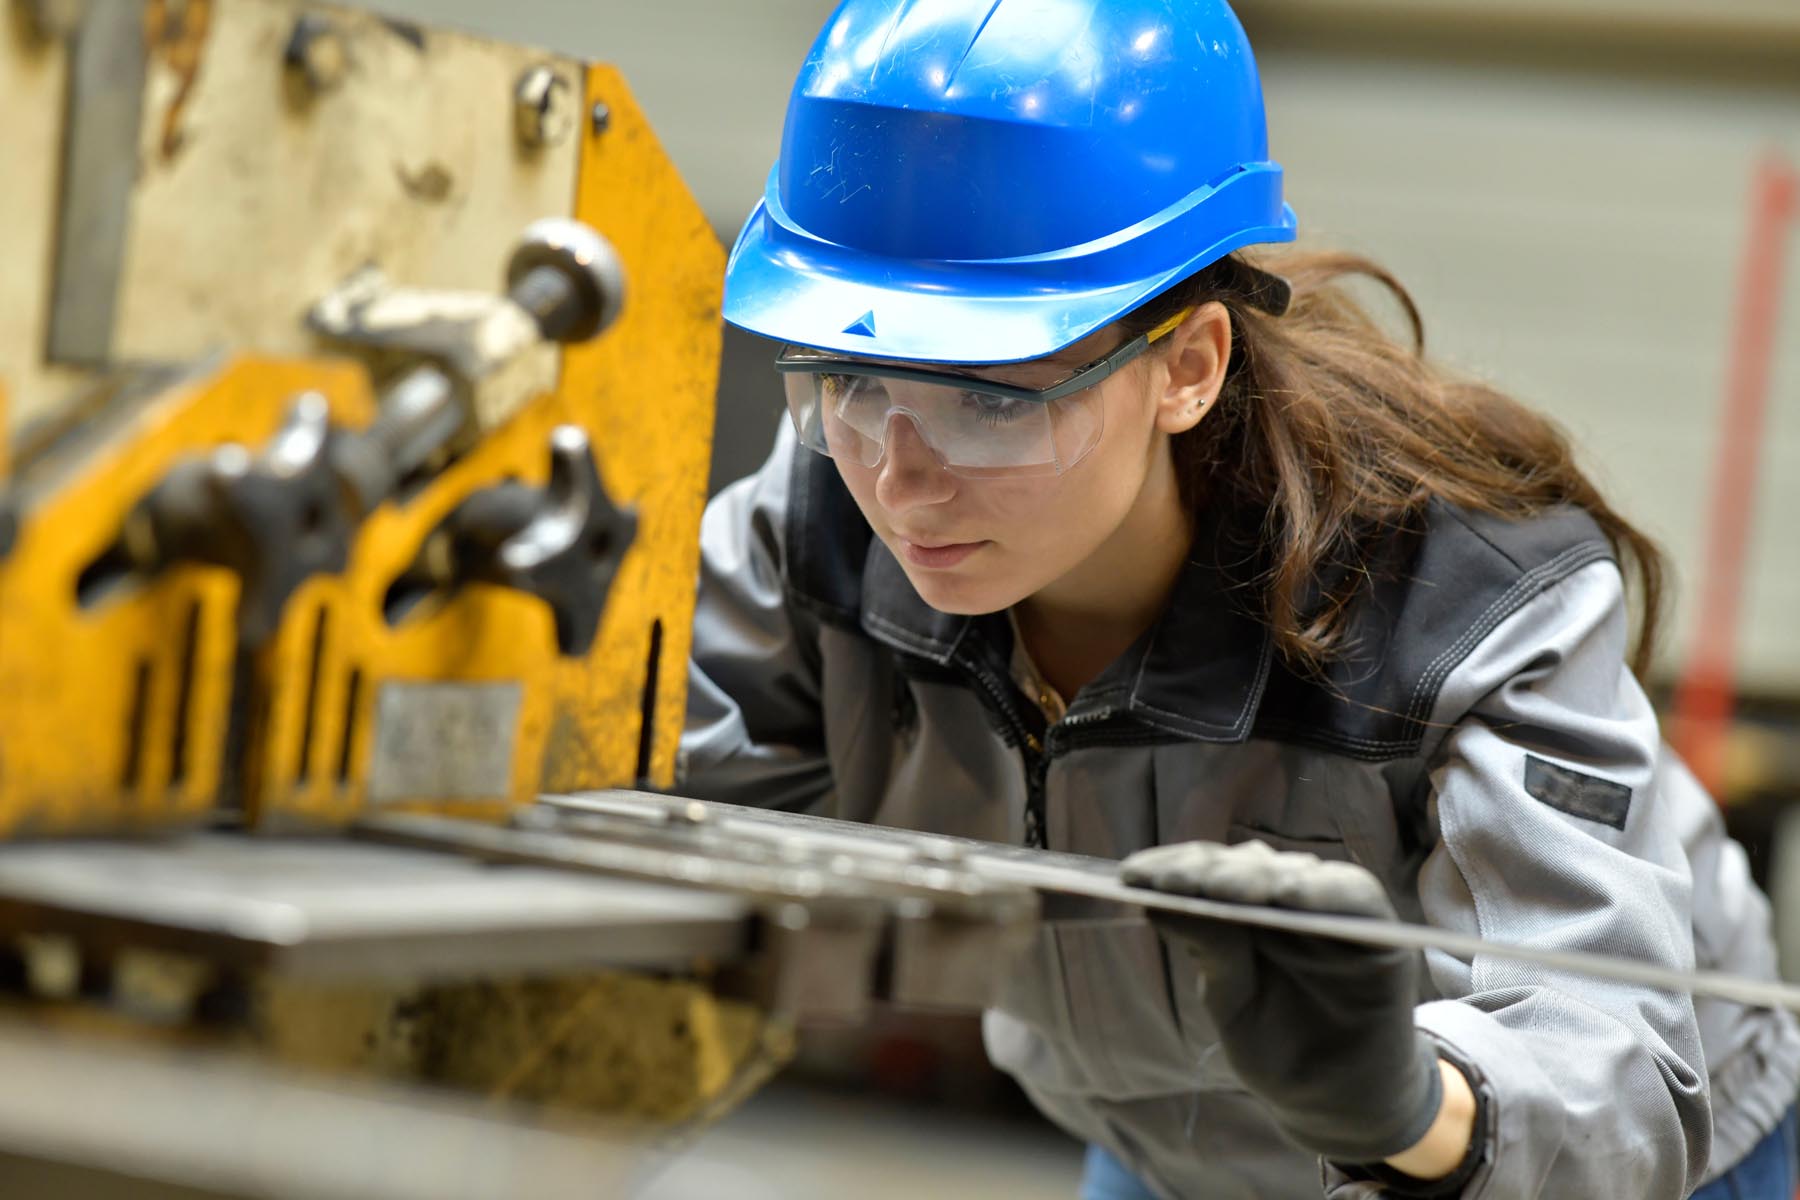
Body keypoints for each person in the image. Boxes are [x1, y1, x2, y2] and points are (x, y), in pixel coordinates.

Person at [678, 1, 1800, 1196]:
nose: (897, 480)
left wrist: (1403, 1104)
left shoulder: (1455, 605)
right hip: (1171, 1138)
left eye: (991, 402)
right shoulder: (813, 533)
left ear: (1189, 366)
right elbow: (642, 824)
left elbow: (1613, 1072)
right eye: (848, 378)